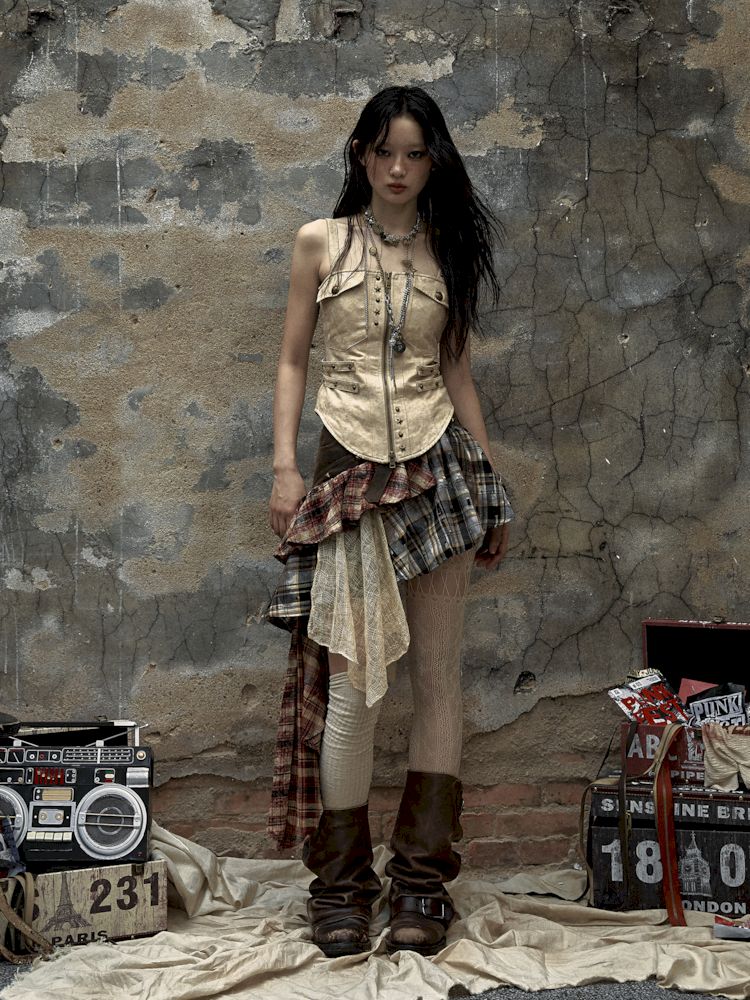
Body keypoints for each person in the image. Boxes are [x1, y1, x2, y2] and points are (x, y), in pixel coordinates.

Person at [266, 85, 514, 959]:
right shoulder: (321, 242)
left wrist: (491, 487)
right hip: (347, 473)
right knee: (354, 688)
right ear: (361, 156)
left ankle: (421, 883)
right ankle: (341, 886)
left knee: (437, 680)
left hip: (439, 473)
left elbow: (457, 375)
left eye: (414, 154)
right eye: (385, 152)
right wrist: (285, 467)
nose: (399, 169)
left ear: (432, 161)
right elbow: (292, 360)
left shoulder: (449, 250)